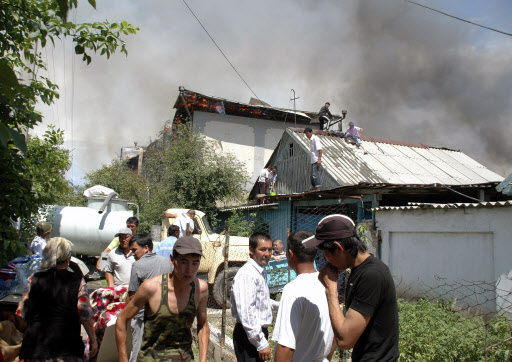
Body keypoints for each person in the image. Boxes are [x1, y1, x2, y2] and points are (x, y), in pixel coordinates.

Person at [303, 215, 399, 361]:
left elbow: (345, 341)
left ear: (339, 248)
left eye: (326, 253)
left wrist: (331, 290)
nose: (324, 260)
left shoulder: (371, 276)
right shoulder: (358, 269)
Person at [115, 236, 209, 362]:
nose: (189, 270)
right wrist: (123, 358)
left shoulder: (200, 289)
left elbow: (203, 324)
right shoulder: (151, 288)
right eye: (184, 262)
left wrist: (203, 360)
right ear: (172, 259)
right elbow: (122, 319)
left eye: (195, 263)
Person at [16, 237, 98, 360]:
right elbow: (83, 311)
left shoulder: (34, 279)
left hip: (35, 350)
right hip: (66, 349)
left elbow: (20, 312)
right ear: (68, 259)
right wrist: (93, 339)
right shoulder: (77, 281)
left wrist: (29, 332)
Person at [272, 230, 335, 361]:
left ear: (290, 254)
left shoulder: (292, 290)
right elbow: (333, 337)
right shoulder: (327, 285)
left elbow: (286, 347)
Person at [231, 232, 279, 361]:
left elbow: (260, 301)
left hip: (255, 334)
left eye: (270, 250)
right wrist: (260, 343)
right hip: (249, 336)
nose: (267, 254)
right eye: (262, 249)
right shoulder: (248, 274)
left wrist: (281, 305)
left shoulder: (259, 271)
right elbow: (247, 311)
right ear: (251, 250)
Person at [128, 235, 173, 362]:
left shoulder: (137, 265)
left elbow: (132, 295)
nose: (132, 253)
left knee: (138, 349)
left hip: (142, 317)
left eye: (134, 250)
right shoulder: (166, 262)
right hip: (165, 314)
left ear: (146, 248)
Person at [304, 127, 322, 191]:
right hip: (313, 160)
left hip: (316, 159)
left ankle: (318, 187)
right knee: (312, 175)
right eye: (306, 134)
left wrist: (319, 159)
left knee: (316, 174)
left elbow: (320, 150)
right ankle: (314, 187)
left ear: (311, 132)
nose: (306, 135)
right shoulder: (311, 140)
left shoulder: (315, 139)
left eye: (307, 133)